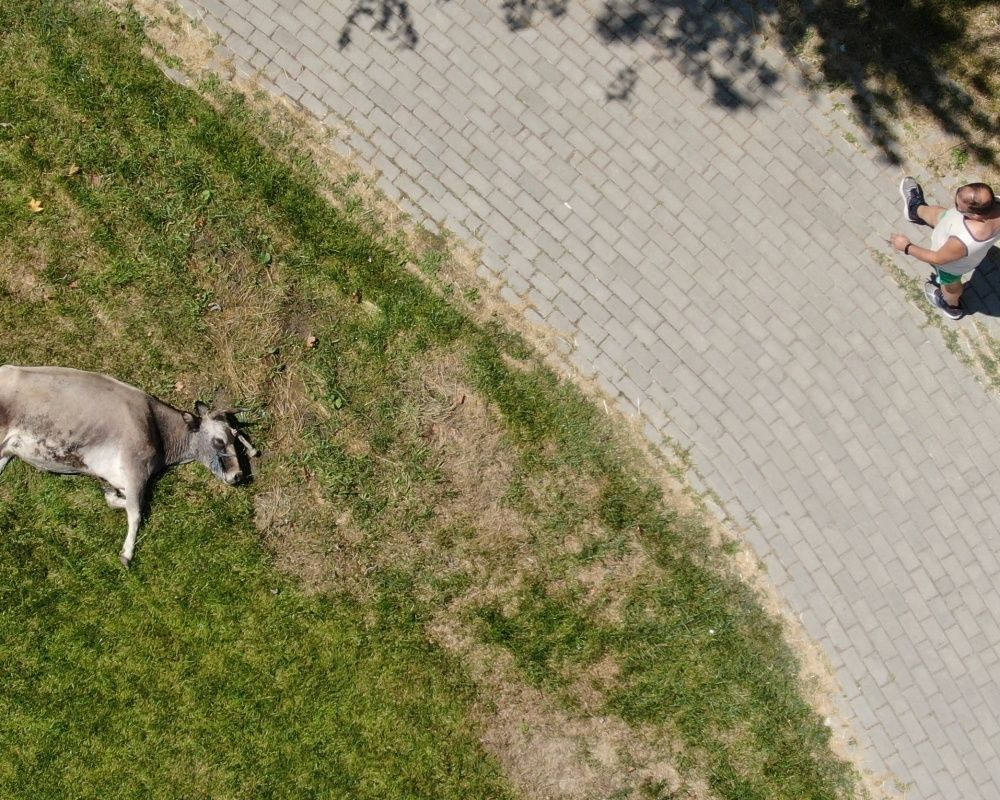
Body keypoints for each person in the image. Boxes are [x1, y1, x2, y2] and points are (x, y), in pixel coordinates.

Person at [891, 178, 1000, 320]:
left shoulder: (963, 241)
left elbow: (937, 258)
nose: (956, 207)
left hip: (951, 266)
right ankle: (914, 209)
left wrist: (906, 247)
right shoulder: (995, 204)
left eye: (958, 206)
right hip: (950, 223)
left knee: (951, 287)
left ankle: (951, 306)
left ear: (975, 216)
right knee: (938, 214)